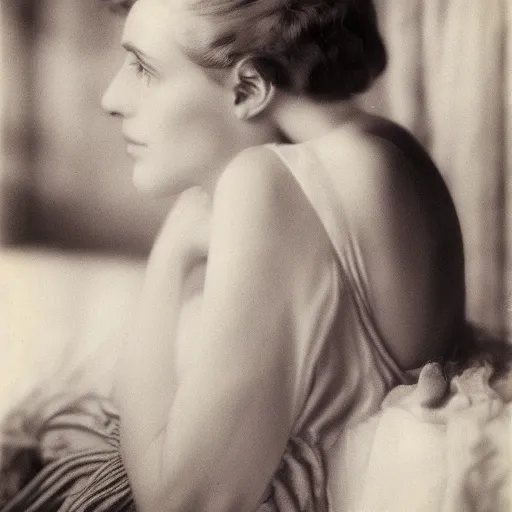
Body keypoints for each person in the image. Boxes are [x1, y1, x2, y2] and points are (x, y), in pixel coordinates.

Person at [1, 0, 476, 510]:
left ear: (249, 89)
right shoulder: (388, 145)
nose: (110, 98)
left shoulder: (266, 182)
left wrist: (170, 255)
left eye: (143, 67)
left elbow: (177, 501)